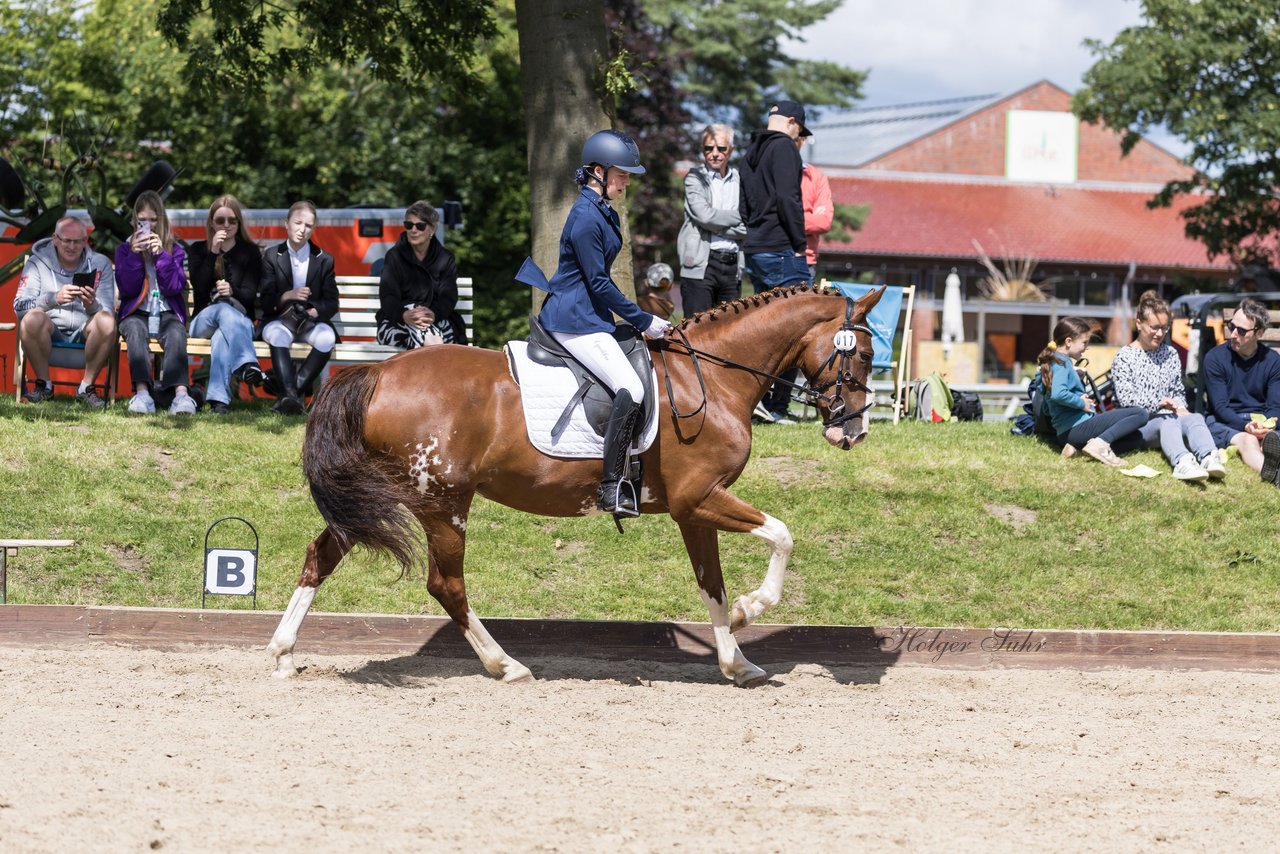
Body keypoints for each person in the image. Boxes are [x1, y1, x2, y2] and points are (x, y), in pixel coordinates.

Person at [521, 129, 670, 517]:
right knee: (631, 388)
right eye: (622, 174)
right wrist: (644, 319)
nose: (626, 181)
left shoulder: (601, 209)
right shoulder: (586, 217)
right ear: (599, 172)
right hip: (575, 320)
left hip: (590, 315)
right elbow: (599, 283)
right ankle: (611, 486)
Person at [740, 100, 811, 424]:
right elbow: (788, 198)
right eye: (801, 131)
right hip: (782, 248)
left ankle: (757, 400)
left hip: (755, 248)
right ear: (793, 123)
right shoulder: (784, 148)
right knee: (800, 327)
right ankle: (777, 407)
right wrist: (799, 243)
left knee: (764, 330)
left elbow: (743, 205)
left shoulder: (751, 150)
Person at [1110, 291, 1224, 482]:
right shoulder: (1124, 357)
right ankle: (1182, 462)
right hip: (1135, 425)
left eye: (1164, 328)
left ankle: (1209, 457)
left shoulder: (1170, 353)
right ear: (1139, 324)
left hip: (1168, 416)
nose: (1160, 333)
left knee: (1194, 416)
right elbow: (1126, 402)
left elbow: (1177, 390)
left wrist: (1179, 406)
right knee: (1167, 421)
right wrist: (1160, 404)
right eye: (1154, 327)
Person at [13, 216, 117, 408]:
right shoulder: (37, 262)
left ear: (85, 241)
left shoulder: (100, 263)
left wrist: (91, 304)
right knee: (31, 319)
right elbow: (19, 308)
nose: (72, 246)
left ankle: (86, 388)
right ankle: (44, 386)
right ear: (55, 238)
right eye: (66, 240)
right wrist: (53, 299)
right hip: (49, 332)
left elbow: (108, 312)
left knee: (107, 321)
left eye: (78, 241)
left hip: (87, 331)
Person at [114, 191, 195, 415]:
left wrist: (161, 256)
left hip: (166, 311)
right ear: (134, 221)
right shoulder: (124, 249)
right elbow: (127, 289)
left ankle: (180, 396)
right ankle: (142, 394)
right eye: (142, 220)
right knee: (134, 330)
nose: (147, 225)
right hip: (136, 312)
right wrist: (134, 257)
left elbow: (175, 287)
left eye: (152, 220)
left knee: (176, 332)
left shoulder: (175, 249)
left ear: (161, 220)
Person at [186, 194, 265, 415]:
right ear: (211, 222)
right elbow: (200, 287)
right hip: (203, 321)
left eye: (232, 220)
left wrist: (233, 291)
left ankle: (219, 402)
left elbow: (250, 295)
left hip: (240, 322)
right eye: (220, 220)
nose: (226, 225)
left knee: (223, 335)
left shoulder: (249, 252)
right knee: (221, 309)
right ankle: (247, 363)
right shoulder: (198, 250)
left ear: (238, 223)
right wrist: (213, 251)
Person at [260, 200, 340, 416]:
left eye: (308, 225)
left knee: (327, 337)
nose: (302, 230)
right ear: (286, 223)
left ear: (313, 228)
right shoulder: (271, 256)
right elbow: (265, 302)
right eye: (298, 223)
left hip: (310, 322)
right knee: (277, 335)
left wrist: (314, 310)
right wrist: (288, 295)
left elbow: (332, 301)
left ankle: (288, 397)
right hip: (279, 321)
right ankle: (292, 398)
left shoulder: (324, 259)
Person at [1038, 317, 1147, 466]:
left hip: (1066, 434)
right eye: (1084, 342)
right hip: (1077, 428)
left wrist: (1075, 397)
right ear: (1069, 342)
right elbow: (1058, 394)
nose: (1086, 347)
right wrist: (1080, 402)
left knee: (1136, 438)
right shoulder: (1061, 363)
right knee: (1140, 414)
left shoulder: (1053, 361)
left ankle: (1077, 450)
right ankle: (1099, 444)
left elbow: (1048, 401)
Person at [1202, 298, 1280, 487]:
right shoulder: (1214, 358)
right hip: (1225, 420)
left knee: (1270, 437)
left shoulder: (1273, 361)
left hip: (1260, 420)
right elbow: (1220, 408)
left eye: (1242, 330)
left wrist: (1266, 426)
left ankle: (1270, 444)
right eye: (1231, 326)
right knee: (1248, 441)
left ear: (1259, 333)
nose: (1233, 334)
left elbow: (1275, 407)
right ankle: (1275, 477)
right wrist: (1247, 427)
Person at [376, 200, 465, 350]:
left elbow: (448, 297)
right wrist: (405, 315)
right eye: (409, 225)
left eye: (420, 226)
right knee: (430, 339)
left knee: (428, 334)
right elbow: (388, 296)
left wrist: (433, 314)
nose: (413, 230)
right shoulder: (394, 256)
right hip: (396, 322)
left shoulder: (445, 258)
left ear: (432, 229)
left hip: (436, 320)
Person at [677, 123, 746, 317]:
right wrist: (737, 219)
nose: (714, 153)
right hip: (701, 265)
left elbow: (750, 223)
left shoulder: (741, 180)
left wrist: (717, 226)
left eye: (721, 148)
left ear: (730, 150)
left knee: (730, 332)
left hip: (733, 266)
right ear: (703, 150)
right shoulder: (694, 178)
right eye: (709, 148)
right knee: (695, 331)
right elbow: (705, 216)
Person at [797, 133, 833, 281]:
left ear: (803, 140)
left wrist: (782, 218)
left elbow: (824, 221)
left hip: (805, 261)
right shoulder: (767, 171)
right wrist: (809, 217)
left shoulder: (817, 177)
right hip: (771, 258)